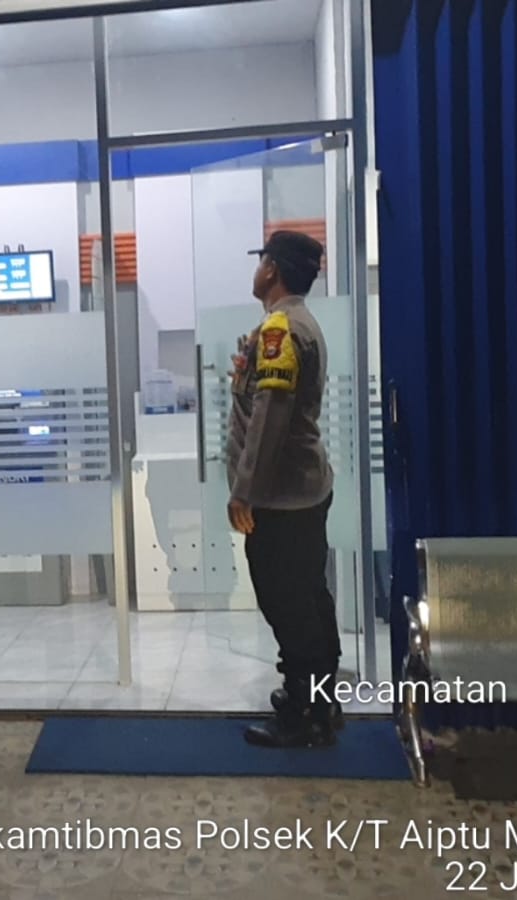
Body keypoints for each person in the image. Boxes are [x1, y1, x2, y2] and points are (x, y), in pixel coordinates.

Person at [225, 230, 343, 748]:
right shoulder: (294, 324)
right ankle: (319, 699)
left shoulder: (282, 329)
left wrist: (244, 491)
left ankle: (304, 715)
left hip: (281, 497)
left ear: (271, 269)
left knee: (288, 605)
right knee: (309, 598)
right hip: (300, 491)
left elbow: (270, 419)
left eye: (261, 262)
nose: (257, 271)